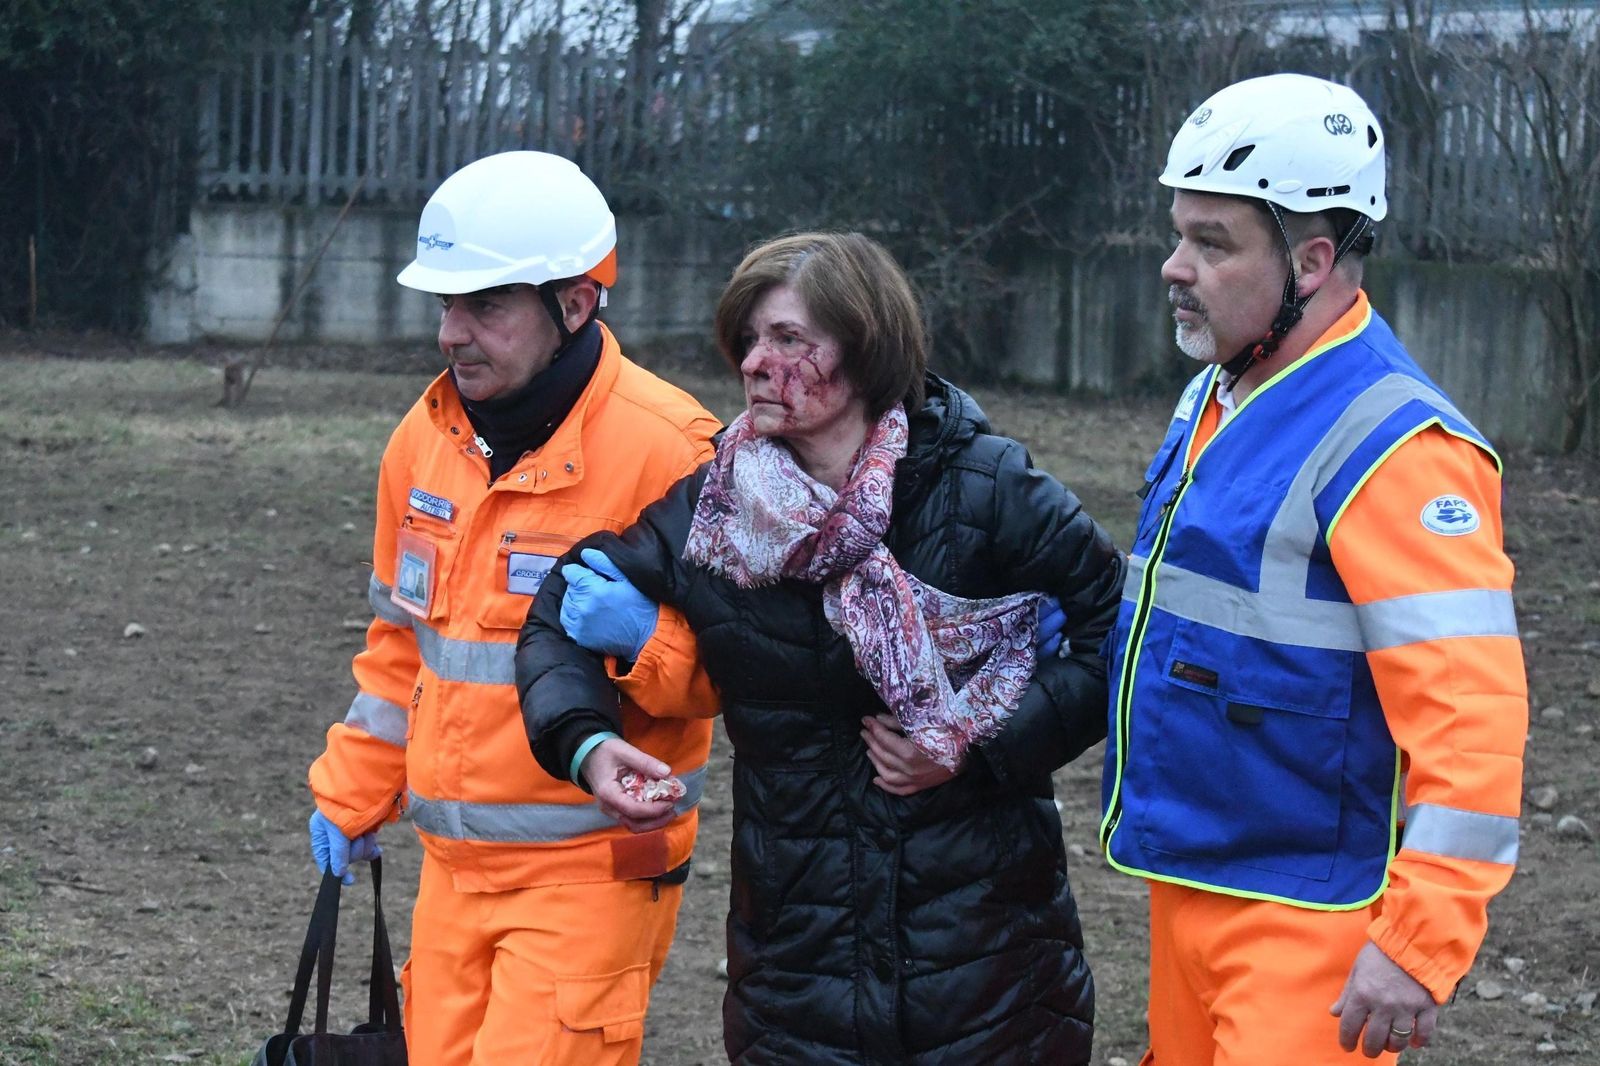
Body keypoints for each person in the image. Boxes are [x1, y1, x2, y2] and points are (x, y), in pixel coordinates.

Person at [517, 231, 1126, 1064]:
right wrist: (586, 742)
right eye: (749, 340)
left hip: (986, 970)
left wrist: (975, 747)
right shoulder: (718, 509)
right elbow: (555, 607)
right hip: (798, 971)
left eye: (790, 339)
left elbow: (1119, 632)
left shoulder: (984, 488)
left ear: (868, 350)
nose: (757, 363)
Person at [1101, 74, 1528, 1063]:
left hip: (1309, 917)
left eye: (1211, 243)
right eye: (1179, 233)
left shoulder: (1398, 444)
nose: (1173, 266)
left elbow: (1470, 720)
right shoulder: (1219, 392)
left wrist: (1420, 941)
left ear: (1313, 258)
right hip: (1190, 886)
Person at [303, 150, 722, 1065]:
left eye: (485, 306)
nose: (453, 334)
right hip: (450, 876)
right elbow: (404, 643)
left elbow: (743, 671)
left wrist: (644, 644)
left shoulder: (674, 452)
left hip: (595, 874)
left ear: (574, 304)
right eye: (445, 307)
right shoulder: (425, 436)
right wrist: (351, 791)